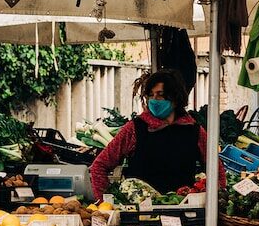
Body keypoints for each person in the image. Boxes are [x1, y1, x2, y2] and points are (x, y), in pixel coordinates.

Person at [90, 70, 214, 201]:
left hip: (183, 210)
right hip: (141, 214)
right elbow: (99, 166)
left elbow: (216, 170)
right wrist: (106, 204)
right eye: (151, 95)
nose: (154, 100)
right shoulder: (135, 128)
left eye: (160, 95)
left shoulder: (193, 130)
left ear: (176, 98)